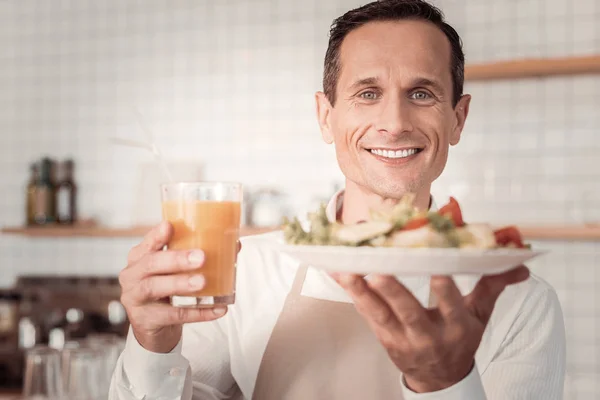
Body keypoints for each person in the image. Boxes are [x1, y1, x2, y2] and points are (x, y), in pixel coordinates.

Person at [109, 1, 566, 399]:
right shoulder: (246, 271)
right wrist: (153, 345)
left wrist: (445, 384)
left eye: (421, 93)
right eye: (368, 94)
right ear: (326, 118)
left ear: (458, 119)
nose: (394, 122)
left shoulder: (520, 303)